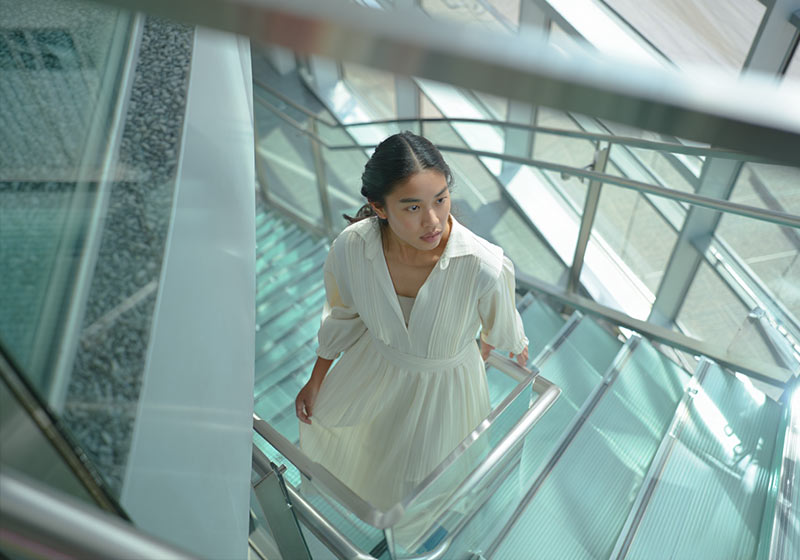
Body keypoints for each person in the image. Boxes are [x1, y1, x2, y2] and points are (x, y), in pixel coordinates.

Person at [295, 131, 529, 515]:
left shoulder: (482, 265)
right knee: (369, 453)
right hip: (375, 370)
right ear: (380, 207)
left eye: (441, 199)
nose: (433, 220)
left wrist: (483, 350)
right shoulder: (352, 247)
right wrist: (317, 377)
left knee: (423, 480)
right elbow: (344, 315)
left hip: (445, 391)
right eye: (412, 207)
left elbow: (498, 332)